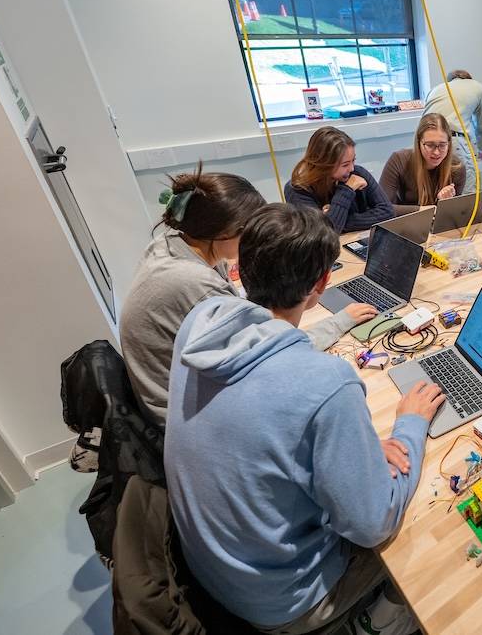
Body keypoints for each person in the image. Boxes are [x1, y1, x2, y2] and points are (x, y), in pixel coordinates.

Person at [165, 204, 446, 634]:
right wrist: (410, 426)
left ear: (242, 266)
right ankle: (382, 622)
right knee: (430, 520)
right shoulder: (327, 385)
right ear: (321, 282)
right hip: (284, 603)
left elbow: (271, 353)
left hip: (209, 569)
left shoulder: (202, 323)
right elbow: (373, 523)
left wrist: (361, 453)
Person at [120, 166, 373, 424]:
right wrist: (339, 321)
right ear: (225, 233)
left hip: (179, 398)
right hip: (189, 421)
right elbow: (269, 355)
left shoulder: (173, 242)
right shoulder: (196, 284)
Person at [285, 126, 406, 233]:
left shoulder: (358, 173)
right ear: (323, 164)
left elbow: (388, 212)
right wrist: (347, 189)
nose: (351, 168)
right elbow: (323, 233)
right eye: (345, 164)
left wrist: (336, 217)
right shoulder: (297, 189)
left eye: (353, 160)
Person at [380, 113, 466, 213]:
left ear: (449, 143)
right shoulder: (399, 160)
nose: (436, 152)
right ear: (418, 142)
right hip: (405, 223)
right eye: (430, 145)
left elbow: (454, 213)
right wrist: (425, 210)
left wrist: (444, 203)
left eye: (442, 145)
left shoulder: (456, 167)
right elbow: (382, 208)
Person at [422, 69, 482, 194]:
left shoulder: (436, 89)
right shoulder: (478, 88)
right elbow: (481, 126)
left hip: (425, 144)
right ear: (469, 79)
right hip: (452, 140)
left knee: (434, 190)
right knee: (467, 192)